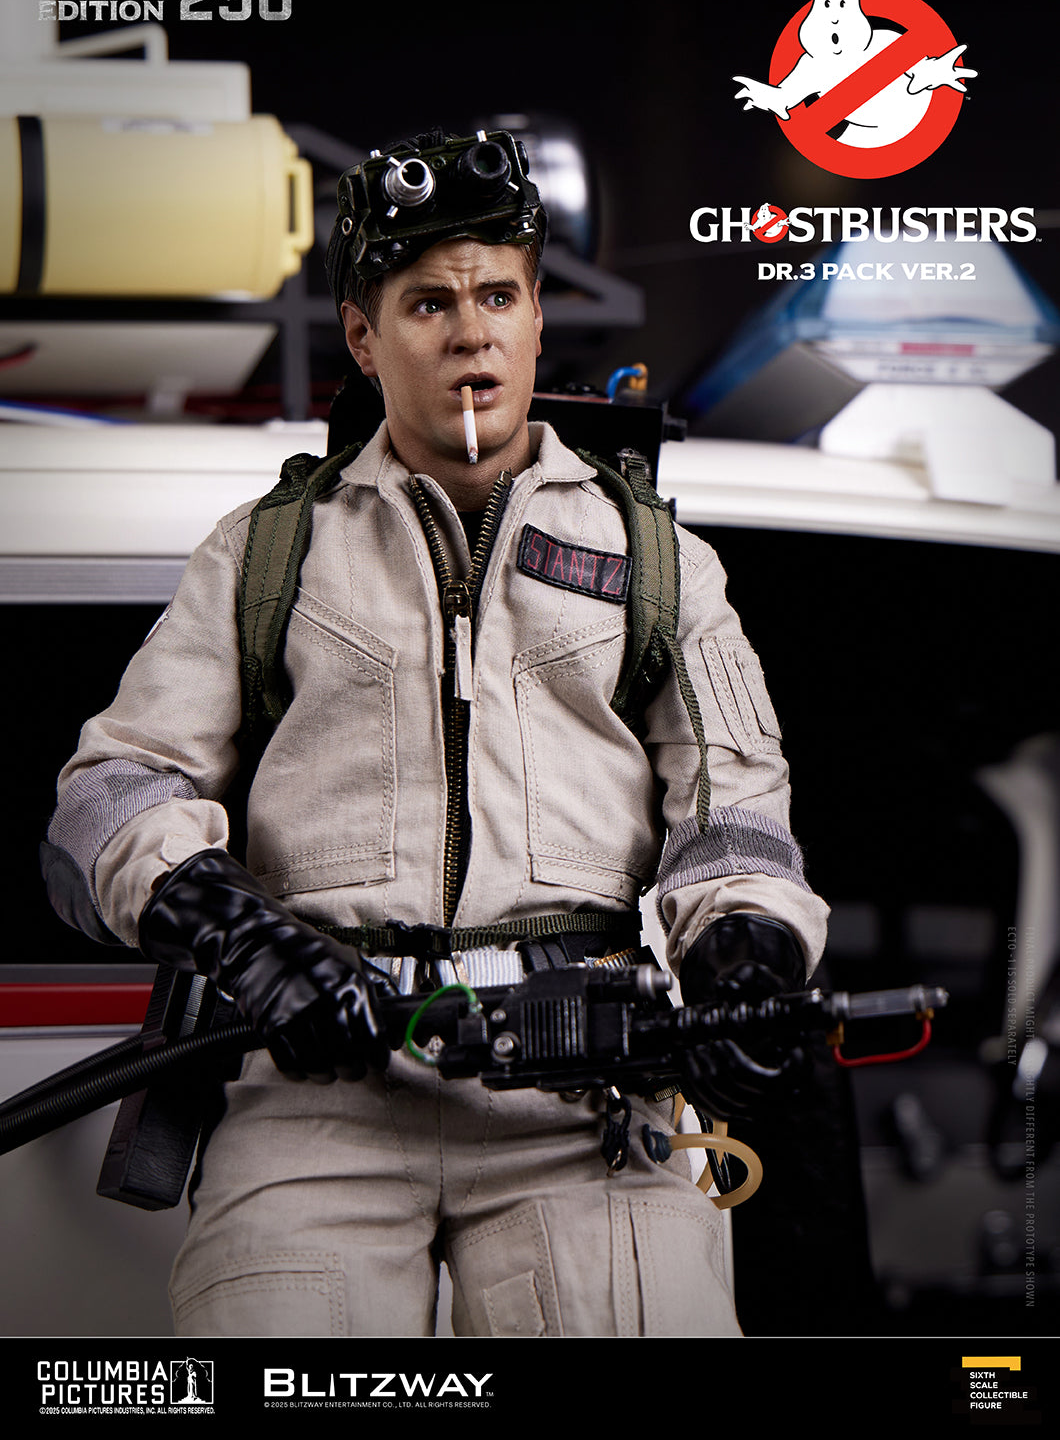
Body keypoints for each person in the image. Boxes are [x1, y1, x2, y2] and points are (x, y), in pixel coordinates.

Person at [43, 128, 829, 1338]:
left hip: (582, 1099)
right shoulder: (265, 551)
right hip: (319, 1095)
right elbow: (110, 792)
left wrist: (746, 951)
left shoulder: (655, 558)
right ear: (364, 338)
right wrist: (241, 934)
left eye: (497, 296)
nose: (471, 334)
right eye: (426, 304)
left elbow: (735, 822)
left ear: (535, 318)